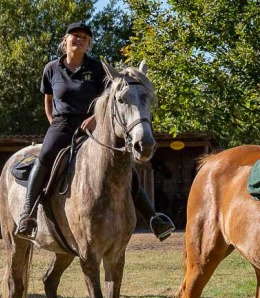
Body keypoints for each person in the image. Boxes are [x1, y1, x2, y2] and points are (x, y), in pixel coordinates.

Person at [14, 22, 175, 242]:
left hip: (93, 123)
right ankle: (27, 214)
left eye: (84, 37)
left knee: (123, 164)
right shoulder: (51, 68)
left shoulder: (97, 68)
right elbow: (48, 99)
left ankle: (154, 218)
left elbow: (109, 99)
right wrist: (53, 122)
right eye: (75, 35)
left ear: (89, 43)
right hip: (61, 124)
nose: (79, 39)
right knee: (45, 156)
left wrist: (95, 118)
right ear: (65, 40)